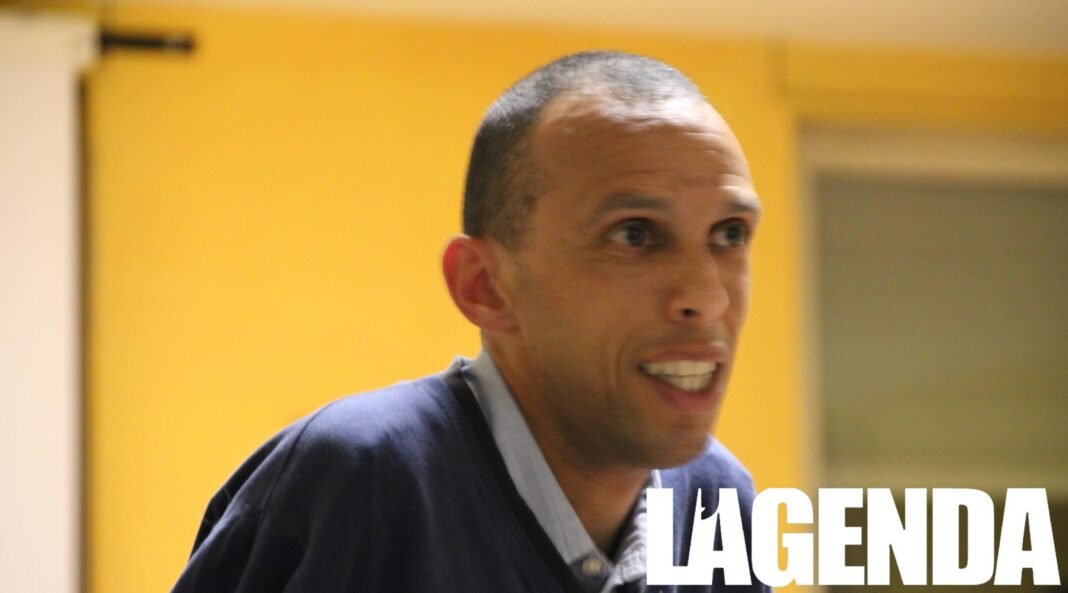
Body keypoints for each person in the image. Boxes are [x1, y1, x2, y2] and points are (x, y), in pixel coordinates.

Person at [172, 50, 767, 593]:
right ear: (485, 287)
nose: (707, 297)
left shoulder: (719, 507)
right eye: (634, 235)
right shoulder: (355, 486)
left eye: (729, 234)